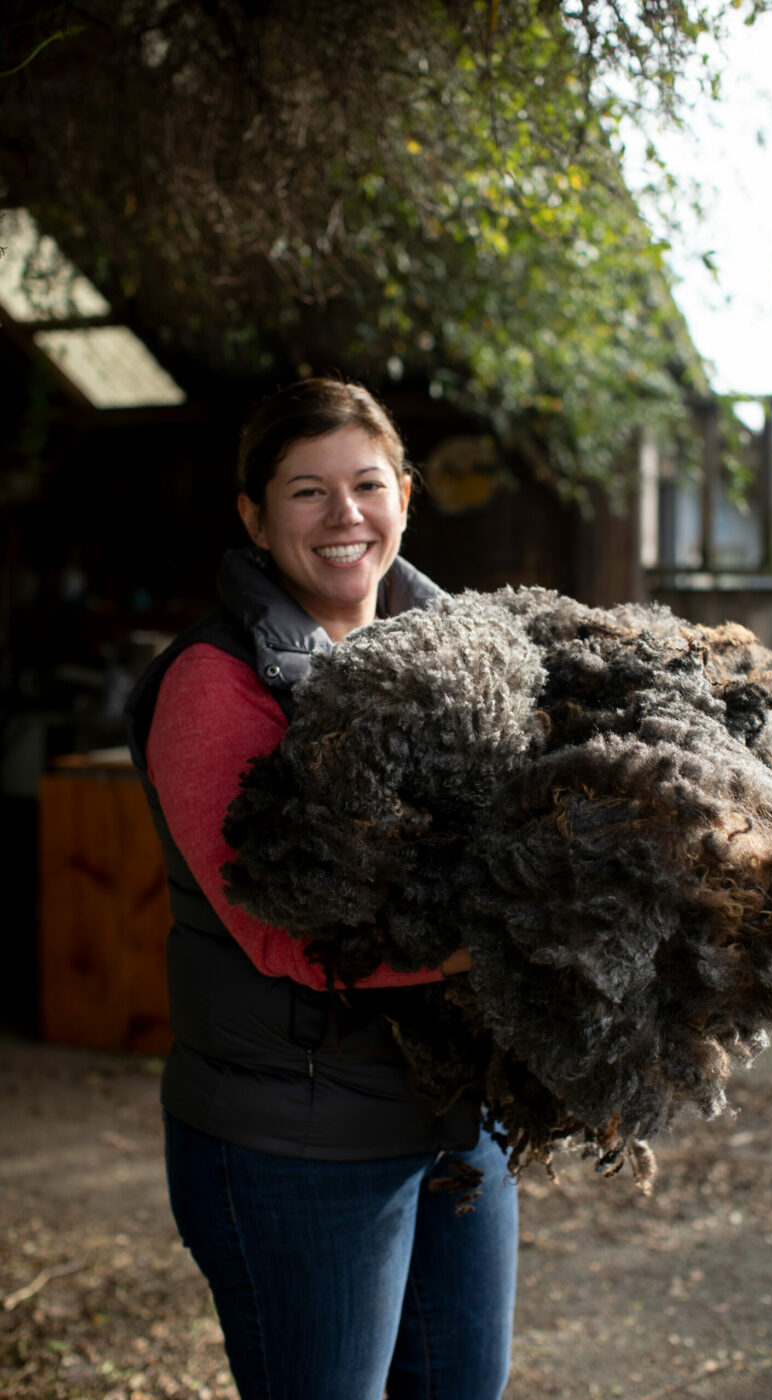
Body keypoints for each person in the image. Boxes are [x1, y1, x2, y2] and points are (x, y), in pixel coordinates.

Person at [124, 378, 518, 1400]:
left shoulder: (467, 653)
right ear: (253, 516)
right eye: (306, 491)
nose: (345, 514)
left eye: (367, 483)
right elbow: (281, 928)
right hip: (294, 1139)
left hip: (454, 1122)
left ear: (405, 497)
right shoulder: (213, 684)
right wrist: (516, 935)